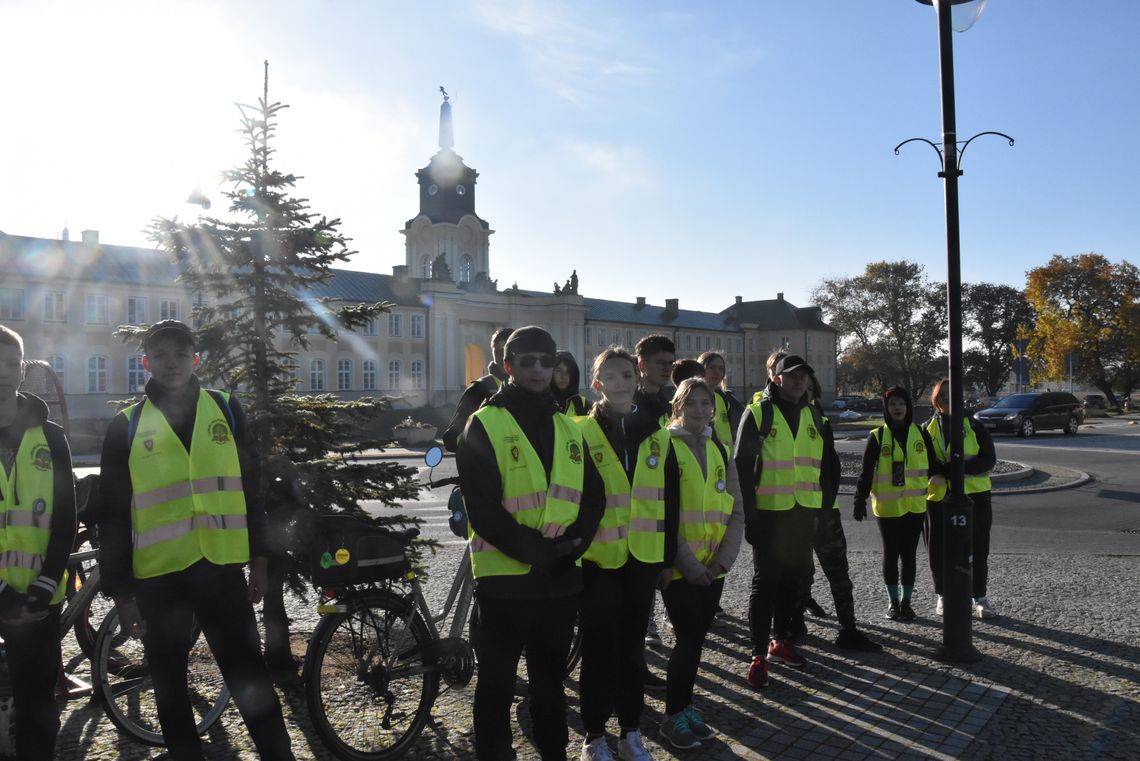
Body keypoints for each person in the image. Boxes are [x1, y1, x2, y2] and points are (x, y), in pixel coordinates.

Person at [98, 320, 295, 761]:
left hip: (220, 571)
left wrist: (261, 558)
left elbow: (251, 488)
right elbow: (110, 518)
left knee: (251, 679)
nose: (172, 363)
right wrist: (120, 594)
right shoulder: (125, 427)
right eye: (161, 356)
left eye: (181, 354)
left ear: (196, 360)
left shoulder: (225, 410)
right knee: (169, 688)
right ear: (145, 363)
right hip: (158, 580)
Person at [457, 326, 606, 761]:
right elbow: (482, 510)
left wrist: (573, 547)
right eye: (528, 362)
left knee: (549, 682)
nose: (540, 370)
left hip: (559, 580)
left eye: (548, 361)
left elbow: (592, 498)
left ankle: (554, 753)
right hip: (505, 581)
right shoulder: (484, 423)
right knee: (498, 685)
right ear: (508, 367)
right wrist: (539, 551)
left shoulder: (568, 427)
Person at [576, 347, 679, 761]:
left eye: (626, 375)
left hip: (643, 558)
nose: (621, 383)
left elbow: (670, 500)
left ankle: (631, 731)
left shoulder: (656, 433)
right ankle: (594, 735)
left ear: (636, 379)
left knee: (632, 649)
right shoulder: (580, 432)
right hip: (599, 560)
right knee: (598, 647)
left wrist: (668, 559)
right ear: (597, 384)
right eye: (610, 377)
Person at [736, 354, 839, 689]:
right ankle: (758, 654)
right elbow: (742, 467)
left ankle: (781, 639)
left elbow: (829, 468)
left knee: (794, 580)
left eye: (804, 376)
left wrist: (823, 512)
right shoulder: (759, 413)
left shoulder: (816, 416)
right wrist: (750, 516)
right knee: (765, 583)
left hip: (803, 513)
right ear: (777, 378)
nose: (799, 381)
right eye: (792, 376)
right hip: (769, 513)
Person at [0, 325, 77, 761]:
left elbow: (65, 518)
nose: (3, 372)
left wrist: (45, 585)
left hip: (38, 597)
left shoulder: (51, 438)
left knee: (37, 706)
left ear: (24, 371)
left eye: (12, 363)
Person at [658, 378, 743, 750]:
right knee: (688, 640)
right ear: (678, 406)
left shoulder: (721, 448)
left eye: (705, 403)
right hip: (680, 567)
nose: (699, 409)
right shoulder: (664, 448)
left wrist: (723, 561)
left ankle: (686, 707)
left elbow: (737, 509)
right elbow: (663, 512)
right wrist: (690, 564)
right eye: (691, 403)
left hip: (714, 566)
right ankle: (673, 715)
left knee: (696, 640)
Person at [852, 386, 938, 621]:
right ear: (886, 409)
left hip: (915, 506)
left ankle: (907, 602)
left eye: (901, 404)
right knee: (891, 554)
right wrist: (859, 499)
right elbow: (866, 472)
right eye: (893, 405)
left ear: (908, 407)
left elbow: (934, 466)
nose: (898, 408)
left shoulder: (921, 434)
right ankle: (893, 602)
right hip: (888, 507)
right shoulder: (877, 436)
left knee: (909, 554)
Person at [925, 379, 998, 619]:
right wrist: (954, 468)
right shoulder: (926, 429)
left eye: (952, 393)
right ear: (936, 399)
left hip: (975, 496)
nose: (947, 398)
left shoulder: (975, 426)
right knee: (938, 549)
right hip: (939, 498)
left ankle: (979, 597)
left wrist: (956, 469)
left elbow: (988, 459)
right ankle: (943, 596)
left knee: (978, 547)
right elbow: (926, 463)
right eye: (942, 395)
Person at [632, 335, 675, 649]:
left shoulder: (671, 404)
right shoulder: (630, 404)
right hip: (635, 506)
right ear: (641, 364)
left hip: (665, 501)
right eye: (661, 363)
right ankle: (646, 626)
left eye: (670, 364)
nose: (667, 369)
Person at [442, 326, 514, 452]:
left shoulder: (531, 389)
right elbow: (451, 440)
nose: (502, 358)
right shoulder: (478, 390)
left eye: (506, 351)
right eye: (497, 352)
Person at [697, 351, 744, 456]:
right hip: (707, 460)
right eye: (711, 367)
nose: (717, 372)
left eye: (720, 369)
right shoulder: (693, 400)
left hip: (726, 460)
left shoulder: (723, 400)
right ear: (701, 370)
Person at [552, 351, 592, 417]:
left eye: (568, 371)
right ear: (550, 372)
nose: (563, 376)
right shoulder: (541, 403)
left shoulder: (582, 404)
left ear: (573, 375)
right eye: (558, 370)